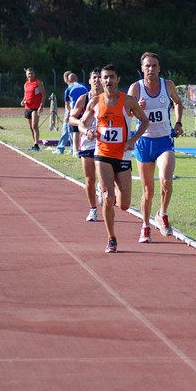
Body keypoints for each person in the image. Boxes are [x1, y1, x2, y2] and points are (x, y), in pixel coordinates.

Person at [79, 64, 148, 253]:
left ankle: (111, 188)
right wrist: (88, 132)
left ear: (118, 79)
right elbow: (82, 124)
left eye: (112, 77)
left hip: (123, 154)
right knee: (108, 198)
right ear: (100, 80)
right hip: (102, 154)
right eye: (105, 77)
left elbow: (145, 121)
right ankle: (111, 238)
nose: (108, 81)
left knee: (124, 205)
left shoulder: (129, 101)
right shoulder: (94, 102)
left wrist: (133, 139)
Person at [128, 52, 183, 243]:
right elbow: (125, 112)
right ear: (142, 68)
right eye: (147, 66)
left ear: (159, 68)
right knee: (147, 190)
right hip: (143, 142)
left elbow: (178, 102)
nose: (150, 69)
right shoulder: (136, 88)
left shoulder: (167, 85)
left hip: (164, 141)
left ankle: (162, 213)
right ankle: (145, 226)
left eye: (154, 66)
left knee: (166, 181)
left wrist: (178, 123)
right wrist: (136, 109)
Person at [69, 68, 103, 222]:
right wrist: (83, 126)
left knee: (104, 176)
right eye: (94, 77)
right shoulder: (84, 98)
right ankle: (93, 209)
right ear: (89, 81)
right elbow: (71, 118)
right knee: (89, 178)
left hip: (105, 142)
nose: (96, 80)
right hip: (88, 142)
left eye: (99, 77)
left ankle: (103, 190)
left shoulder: (109, 98)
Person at [21, 68, 46, 151]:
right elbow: (25, 95)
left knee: (34, 125)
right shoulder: (26, 84)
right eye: (29, 74)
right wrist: (23, 101)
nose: (30, 75)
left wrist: (41, 106)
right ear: (26, 75)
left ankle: (36, 145)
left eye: (31, 73)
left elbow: (43, 94)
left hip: (36, 107)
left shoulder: (38, 82)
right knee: (31, 127)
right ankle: (34, 143)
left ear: (34, 74)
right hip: (28, 107)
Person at [65, 73, 88, 157]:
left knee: (75, 131)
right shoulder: (84, 85)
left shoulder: (68, 88)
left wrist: (70, 113)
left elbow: (67, 104)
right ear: (77, 79)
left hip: (76, 109)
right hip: (86, 109)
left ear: (68, 80)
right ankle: (84, 147)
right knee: (86, 128)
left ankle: (75, 151)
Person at [52, 71, 72, 155]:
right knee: (71, 131)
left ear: (66, 79)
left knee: (65, 131)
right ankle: (72, 149)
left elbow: (68, 104)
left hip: (70, 111)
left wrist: (68, 114)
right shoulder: (76, 87)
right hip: (73, 111)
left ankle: (60, 149)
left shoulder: (69, 89)